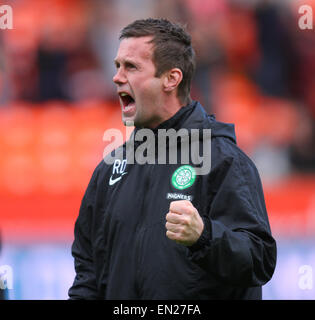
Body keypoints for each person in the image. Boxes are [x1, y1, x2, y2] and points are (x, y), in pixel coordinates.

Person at [68, 18, 277, 300]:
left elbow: (259, 260)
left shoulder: (223, 160)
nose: (117, 76)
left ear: (171, 78)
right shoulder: (110, 169)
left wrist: (205, 237)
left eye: (131, 67)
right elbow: (88, 272)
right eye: (117, 66)